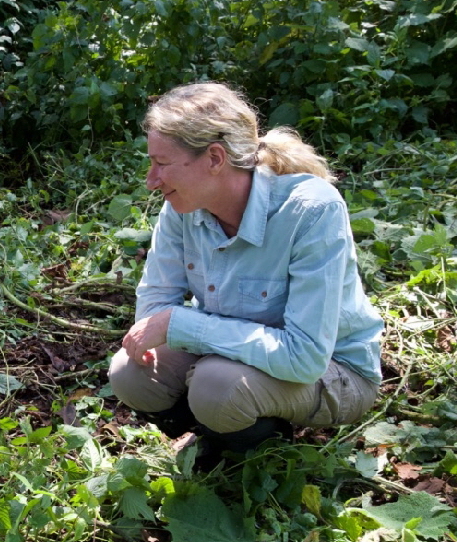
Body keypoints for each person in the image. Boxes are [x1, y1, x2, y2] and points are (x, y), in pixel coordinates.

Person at [108, 82, 383, 466]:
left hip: (334, 371)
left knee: (217, 386)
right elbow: (154, 305)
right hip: (235, 357)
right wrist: (166, 331)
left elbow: (305, 358)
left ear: (215, 158)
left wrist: (185, 326)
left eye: (162, 164)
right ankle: (215, 434)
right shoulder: (182, 208)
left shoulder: (310, 210)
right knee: (129, 372)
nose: (151, 180)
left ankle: (260, 450)